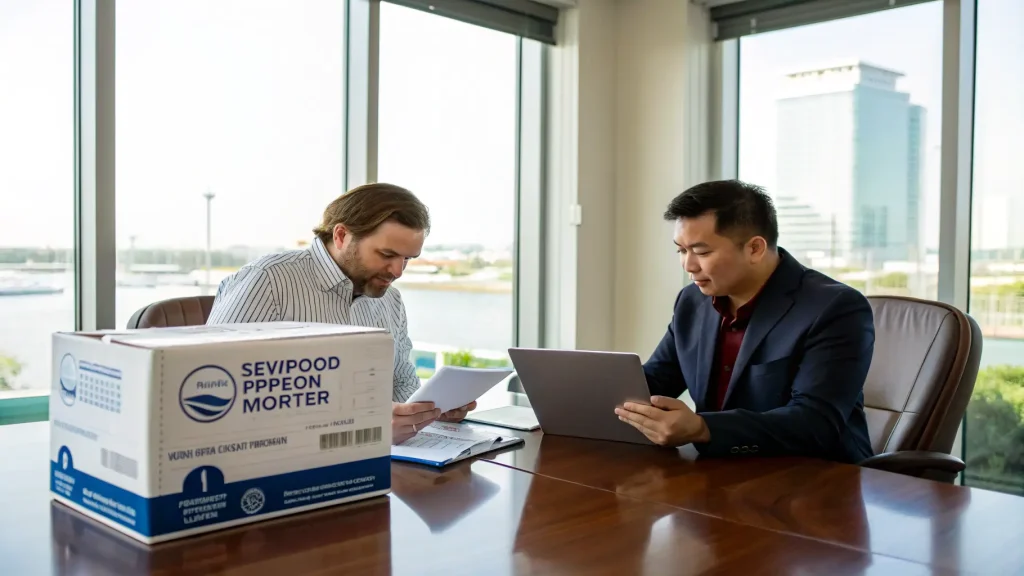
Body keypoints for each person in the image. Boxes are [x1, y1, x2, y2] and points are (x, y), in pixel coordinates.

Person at [615, 180, 874, 463]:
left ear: (754, 249)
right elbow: (654, 382)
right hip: (720, 472)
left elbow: (815, 422)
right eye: (681, 250)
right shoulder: (692, 301)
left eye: (701, 252)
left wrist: (703, 428)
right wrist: (589, 396)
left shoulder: (834, 308)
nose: (688, 265)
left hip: (816, 479)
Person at [207, 183, 475, 444]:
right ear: (341, 236)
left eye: (407, 258)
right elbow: (215, 390)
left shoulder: (390, 299)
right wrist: (363, 424)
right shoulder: (268, 281)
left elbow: (401, 381)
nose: (397, 271)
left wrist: (431, 412)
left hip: (376, 463)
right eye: (386, 254)